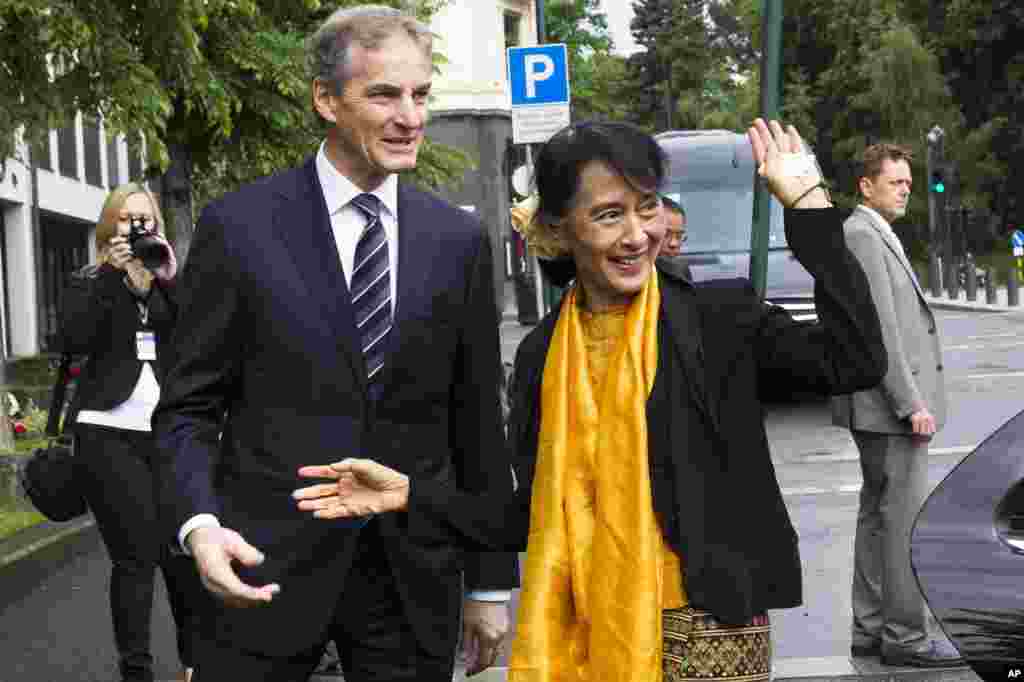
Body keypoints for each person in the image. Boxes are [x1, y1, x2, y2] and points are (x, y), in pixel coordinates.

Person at [293, 118, 888, 681]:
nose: (638, 235)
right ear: (558, 230)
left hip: (708, 622)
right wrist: (408, 495)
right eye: (609, 215)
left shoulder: (717, 317)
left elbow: (855, 360)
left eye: (647, 207)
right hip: (581, 631)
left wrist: (809, 209)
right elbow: (529, 513)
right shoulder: (540, 356)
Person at [150, 5, 518, 681]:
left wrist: (489, 583)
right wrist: (200, 525)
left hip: (411, 581)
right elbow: (187, 410)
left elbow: (475, 427)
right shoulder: (240, 228)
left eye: (420, 95)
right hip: (261, 567)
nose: (411, 117)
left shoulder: (458, 242)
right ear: (326, 100)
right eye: (384, 94)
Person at [60, 183, 199, 682]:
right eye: (125, 219)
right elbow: (73, 338)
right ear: (108, 226)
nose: (135, 228)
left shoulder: (167, 278)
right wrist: (111, 278)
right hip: (107, 433)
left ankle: (192, 664)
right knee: (136, 556)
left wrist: (161, 283)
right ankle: (136, 672)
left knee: (182, 554)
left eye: (144, 220)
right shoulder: (89, 279)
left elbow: (195, 342)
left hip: (165, 434)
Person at [831, 144, 963, 667]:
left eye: (909, 183)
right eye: (895, 183)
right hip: (887, 407)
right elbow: (879, 329)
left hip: (876, 406)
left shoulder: (869, 231)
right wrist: (911, 403)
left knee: (878, 519)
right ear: (866, 186)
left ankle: (869, 627)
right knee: (902, 521)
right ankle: (905, 637)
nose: (906, 189)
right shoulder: (863, 235)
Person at [656, 195, 692, 280]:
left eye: (679, 236)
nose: (673, 244)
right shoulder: (629, 277)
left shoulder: (681, 273)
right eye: (666, 235)